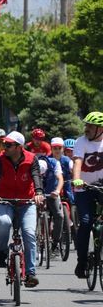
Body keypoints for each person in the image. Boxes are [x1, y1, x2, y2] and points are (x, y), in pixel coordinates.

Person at [0, 131, 43, 288]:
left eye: (8, 145)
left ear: (19, 147)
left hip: (27, 201)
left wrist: (39, 193)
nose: (5, 147)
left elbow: (36, 177)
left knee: (29, 232)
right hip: (5, 200)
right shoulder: (0, 159)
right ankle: (3, 251)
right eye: (4, 144)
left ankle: (31, 273)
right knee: (4, 222)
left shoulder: (32, 159)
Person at [71, 112, 103, 278]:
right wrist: (77, 180)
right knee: (85, 222)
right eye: (86, 125)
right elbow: (77, 162)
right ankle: (82, 262)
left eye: (90, 125)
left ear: (100, 129)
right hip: (85, 188)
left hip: (102, 187)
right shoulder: (81, 142)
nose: (87, 128)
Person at [36, 154, 64, 255]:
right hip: (37, 194)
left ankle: (55, 242)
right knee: (31, 213)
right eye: (40, 175)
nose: (42, 176)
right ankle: (35, 235)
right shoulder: (32, 163)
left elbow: (60, 179)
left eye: (44, 174)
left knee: (59, 216)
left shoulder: (54, 163)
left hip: (52, 193)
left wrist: (57, 191)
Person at [50, 137, 74, 205]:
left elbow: (72, 167)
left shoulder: (67, 160)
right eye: (55, 148)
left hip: (66, 181)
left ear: (63, 149)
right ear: (51, 148)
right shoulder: (48, 159)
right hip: (52, 183)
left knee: (70, 193)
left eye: (59, 148)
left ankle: (73, 205)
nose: (57, 150)